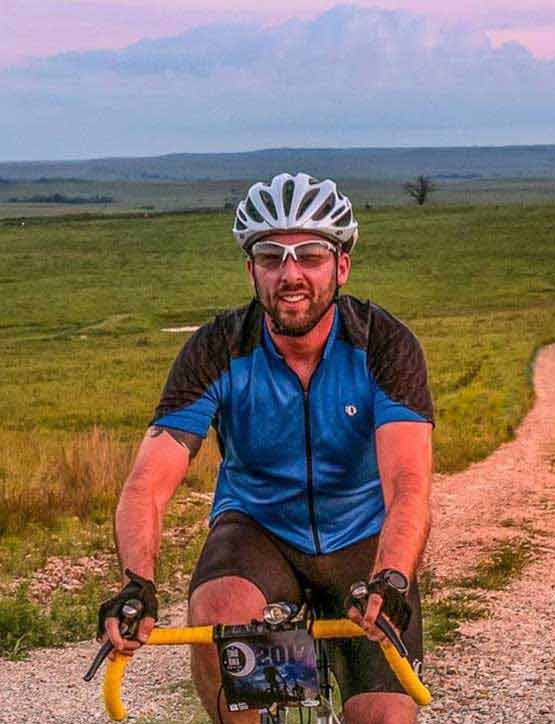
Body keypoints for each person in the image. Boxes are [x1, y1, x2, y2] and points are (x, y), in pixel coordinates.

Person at [96, 172, 434, 723]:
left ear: (341, 266)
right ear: (251, 270)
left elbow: (409, 484)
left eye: (311, 255)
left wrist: (392, 576)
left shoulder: (383, 345)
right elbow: (148, 483)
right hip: (260, 532)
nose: (291, 274)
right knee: (218, 614)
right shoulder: (217, 350)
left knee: (381, 716)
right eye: (272, 257)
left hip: (360, 539)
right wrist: (137, 584)